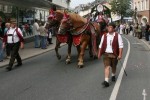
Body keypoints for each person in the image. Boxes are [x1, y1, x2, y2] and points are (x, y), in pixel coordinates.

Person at [98, 22, 124, 87]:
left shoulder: (118, 36)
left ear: (114, 28)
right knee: (107, 66)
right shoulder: (104, 36)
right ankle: (106, 81)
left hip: (114, 54)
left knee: (113, 66)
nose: (109, 28)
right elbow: (100, 45)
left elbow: (121, 46)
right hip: (106, 54)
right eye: (108, 27)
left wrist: (120, 54)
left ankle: (113, 75)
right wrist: (99, 53)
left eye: (111, 27)